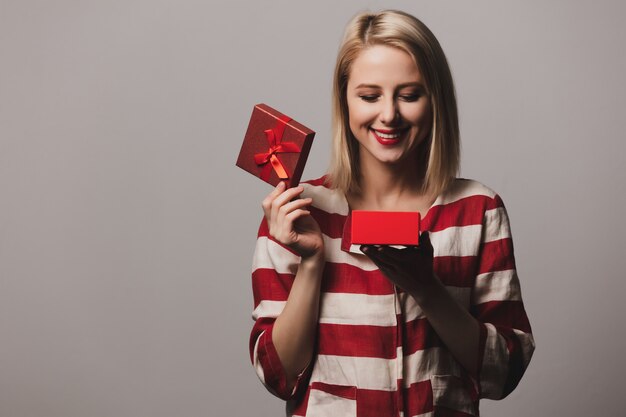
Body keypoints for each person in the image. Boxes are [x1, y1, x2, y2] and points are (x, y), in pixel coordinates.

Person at [249, 9, 535, 417]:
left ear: (435, 101)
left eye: (409, 94)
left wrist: (427, 287)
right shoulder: (297, 211)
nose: (389, 115)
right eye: (369, 96)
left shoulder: (478, 211)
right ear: (344, 100)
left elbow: (505, 372)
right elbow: (279, 376)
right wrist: (313, 261)